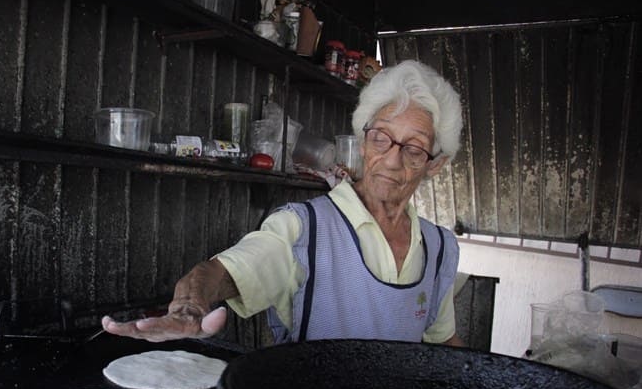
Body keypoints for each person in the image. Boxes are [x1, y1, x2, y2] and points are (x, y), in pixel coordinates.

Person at [102, 59, 465, 347]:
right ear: (363, 139)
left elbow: (442, 341)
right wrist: (189, 306)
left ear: (435, 164)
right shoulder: (303, 229)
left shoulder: (438, 248)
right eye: (381, 138)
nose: (391, 159)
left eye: (414, 148)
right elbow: (223, 272)